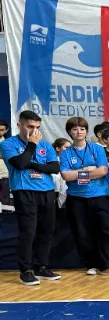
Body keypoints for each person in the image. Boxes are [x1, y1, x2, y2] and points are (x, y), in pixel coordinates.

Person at [0, 111, 62, 285]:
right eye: (30, 127)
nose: (34, 131)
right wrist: (32, 146)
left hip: (47, 191)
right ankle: (25, 270)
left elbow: (55, 168)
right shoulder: (8, 144)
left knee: (46, 231)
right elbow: (19, 164)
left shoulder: (46, 145)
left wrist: (33, 164)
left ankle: (41, 267)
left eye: (37, 127)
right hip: (24, 191)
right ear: (19, 125)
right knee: (28, 232)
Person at [59, 117, 109, 276]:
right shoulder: (66, 153)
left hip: (101, 195)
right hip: (76, 197)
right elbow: (66, 176)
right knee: (82, 232)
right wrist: (89, 170)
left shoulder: (97, 148)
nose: (78, 132)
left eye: (82, 129)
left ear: (86, 131)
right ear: (69, 132)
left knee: (107, 230)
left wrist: (78, 173)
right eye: (74, 129)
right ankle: (91, 264)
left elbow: (102, 171)